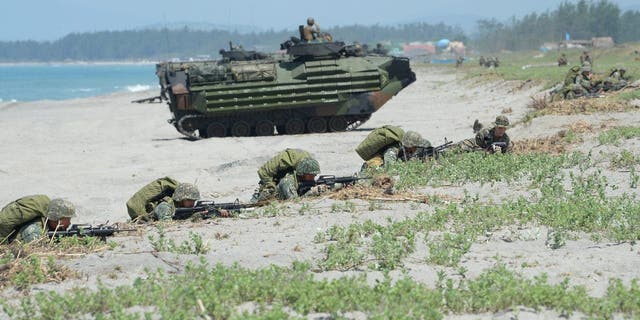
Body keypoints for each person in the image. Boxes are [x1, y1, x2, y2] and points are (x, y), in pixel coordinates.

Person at [127, 177, 229, 222]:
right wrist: (195, 217)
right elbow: (167, 224)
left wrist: (217, 212)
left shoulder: (181, 207)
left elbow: (183, 216)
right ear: (181, 198)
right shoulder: (165, 206)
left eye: (194, 200)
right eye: (190, 200)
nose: (193, 203)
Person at [252, 149, 327, 202]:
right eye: (311, 175)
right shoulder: (288, 182)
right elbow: (294, 201)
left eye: (314, 175)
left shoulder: (301, 165)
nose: (313, 178)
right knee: (269, 190)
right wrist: (312, 192)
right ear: (302, 173)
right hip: (268, 193)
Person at [1, 195, 76, 244]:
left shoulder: (47, 227)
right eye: (68, 219)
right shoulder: (33, 231)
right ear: (58, 218)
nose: (69, 223)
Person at [356, 125, 431, 170]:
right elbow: (390, 168)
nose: (417, 149)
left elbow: (427, 145)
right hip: (371, 169)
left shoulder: (406, 149)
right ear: (409, 146)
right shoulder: (392, 151)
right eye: (415, 146)